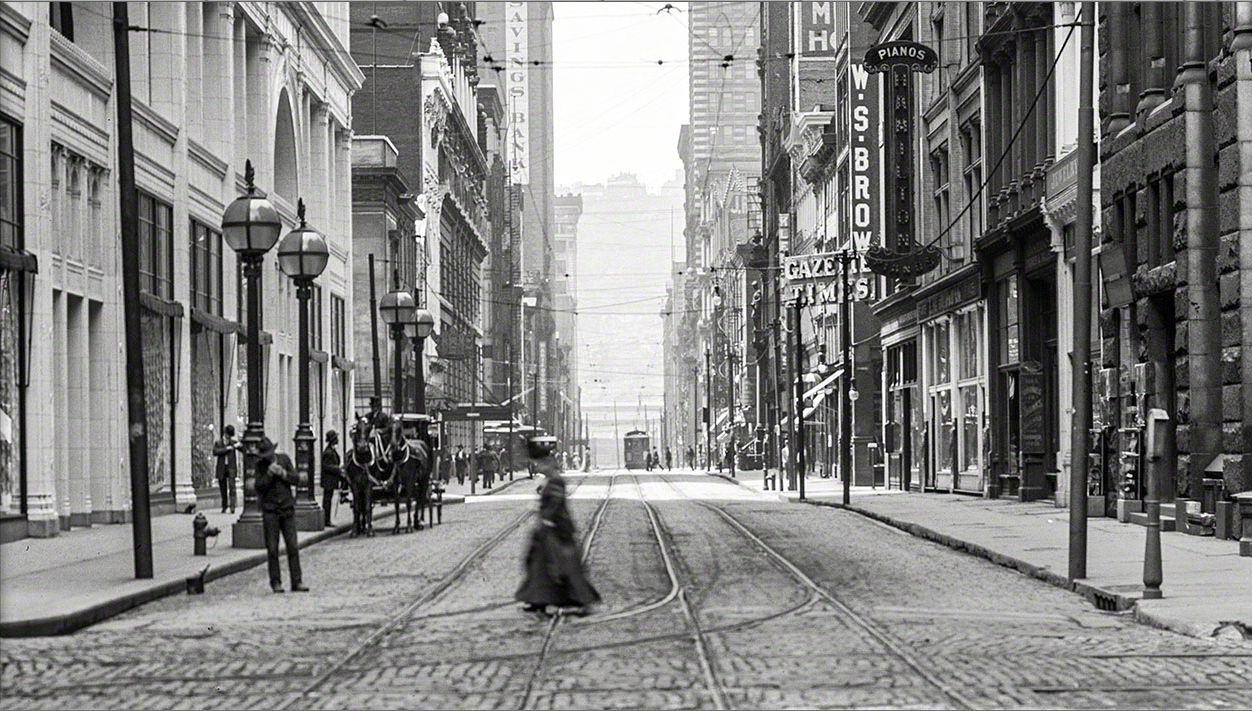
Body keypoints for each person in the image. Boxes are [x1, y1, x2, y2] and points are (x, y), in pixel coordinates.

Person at [515, 436, 600, 616]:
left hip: (556, 528)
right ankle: (537, 599)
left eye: (540, 463)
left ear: (548, 463)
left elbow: (555, 502)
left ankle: (577, 599)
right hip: (548, 528)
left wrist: (546, 518)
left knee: (563, 565)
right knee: (539, 564)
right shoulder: (550, 479)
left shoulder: (555, 479)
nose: (538, 467)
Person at [255, 438, 307, 593]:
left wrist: (283, 474)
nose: (267, 457)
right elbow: (258, 487)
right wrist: (269, 474)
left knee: (293, 547)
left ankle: (296, 581)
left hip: (287, 508)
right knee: (272, 549)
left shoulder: (284, 459)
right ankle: (275, 581)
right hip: (270, 511)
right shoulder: (260, 466)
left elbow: (296, 479)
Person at [213, 425, 240, 513]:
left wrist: (239, 445)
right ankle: (224, 505)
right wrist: (226, 449)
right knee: (223, 487)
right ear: (225, 434)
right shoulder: (218, 443)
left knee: (232, 486)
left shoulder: (233, 443)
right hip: (222, 467)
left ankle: (232, 506)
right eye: (228, 436)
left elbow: (242, 448)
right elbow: (215, 452)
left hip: (231, 467)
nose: (229, 438)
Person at [320, 430, 342, 527]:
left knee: (328, 500)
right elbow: (326, 466)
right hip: (328, 481)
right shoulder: (328, 452)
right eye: (336, 439)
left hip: (330, 480)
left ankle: (327, 519)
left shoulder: (331, 451)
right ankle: (326, 520)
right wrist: (338, 469)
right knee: (327, 501)